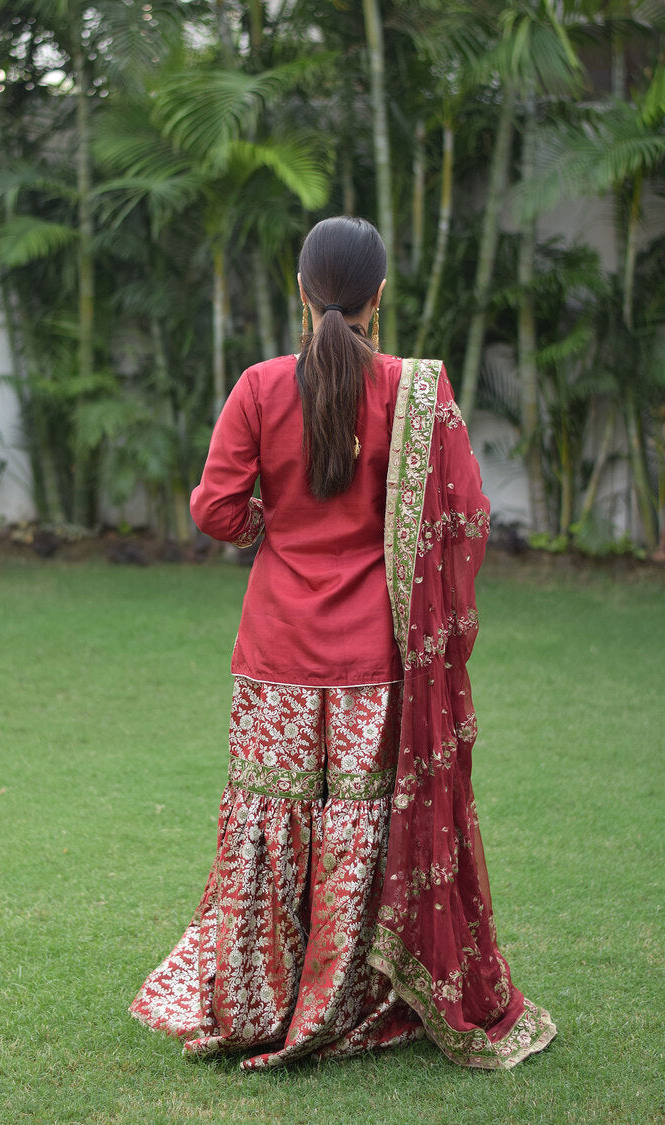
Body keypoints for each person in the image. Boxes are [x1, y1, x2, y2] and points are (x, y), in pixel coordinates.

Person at [129, 216, 556, 1070]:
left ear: (301, 290)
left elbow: (215, 510)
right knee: (357, 829)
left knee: (271, 821)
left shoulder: (258, 387)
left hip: (277, 654)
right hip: (374, 661)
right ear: (379, 296)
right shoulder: (413, 391)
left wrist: (269, 523)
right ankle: (348, 1000)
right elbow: (458, 519)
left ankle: (256, 998)